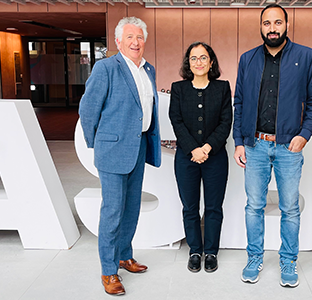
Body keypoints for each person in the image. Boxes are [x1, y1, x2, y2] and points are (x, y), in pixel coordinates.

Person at [233, 3, 312, 287]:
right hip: (255, 144)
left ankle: (288, 260)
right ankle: (255, 257)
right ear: (261, 27)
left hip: (289, 147)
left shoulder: (305, 56)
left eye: (277, 22)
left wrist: (305, 134)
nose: (272, 28)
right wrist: (238, 142)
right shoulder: (247, 59)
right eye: (266, 23)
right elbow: (240, 102)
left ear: (286, 24)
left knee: (290, 208)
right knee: (254, 206)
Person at [78, 16, 161, 296]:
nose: (135, 42)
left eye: (139, 37)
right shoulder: (106, 68)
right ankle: (108, 271)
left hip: (138, 148)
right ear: (118, 41)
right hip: (113, 150)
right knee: (112, 211)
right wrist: (98, 142)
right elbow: (88, 109)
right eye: (129, 37)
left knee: (131, 207)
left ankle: (125, 256)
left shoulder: (147, 69)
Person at [169, 42, 232, 273]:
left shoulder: (223, 88)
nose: (198, 62)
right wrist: (193, 149)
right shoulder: (178, 88)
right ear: (188, 63)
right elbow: (176, 120)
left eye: (203, 58)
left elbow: (226, 123)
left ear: (211, 62)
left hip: (214, 157)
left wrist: (206, 148)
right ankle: (195, 251)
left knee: (214, 207)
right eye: (194, 58)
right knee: (190, 207)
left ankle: (212, 252)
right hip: (187, 158)